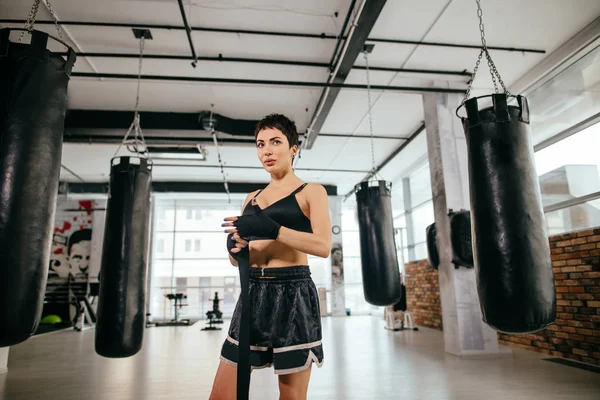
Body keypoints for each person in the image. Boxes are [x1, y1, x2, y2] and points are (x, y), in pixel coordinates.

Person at [210, 114, 332, 400]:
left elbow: (323, 246)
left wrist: (273, 229)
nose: (266, 150)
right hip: (253, 292)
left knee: (291, 397)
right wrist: (234, 248)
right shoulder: (251, 197)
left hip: (293, 293)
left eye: (276, 142)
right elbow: (240, 258)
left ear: (293, 148)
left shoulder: (311, 192)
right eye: (260, 144)